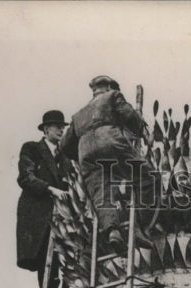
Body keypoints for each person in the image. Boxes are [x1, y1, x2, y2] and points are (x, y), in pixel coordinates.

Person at [60, 75, 155, 251]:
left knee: (101, 194)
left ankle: (113, 232)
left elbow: (64, 145)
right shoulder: (113, 96)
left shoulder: (78, 114)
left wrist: (83, 154)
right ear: (110, 87)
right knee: (147, 176)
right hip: (110, 142)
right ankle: (140, 227)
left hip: (85, 152)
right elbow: (130, 116)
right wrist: (141, 131)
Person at [16, 110, 72, 288]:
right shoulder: (31, 149)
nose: (61, 131)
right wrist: (50, 189)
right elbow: (26, 177)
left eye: (63, 128)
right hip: (37, 209)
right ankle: (47, 280)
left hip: (56, 212)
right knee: (42, 246)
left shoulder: (64, 157)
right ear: (46, 129)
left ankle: (51, 278)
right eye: (57, 127)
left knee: (56, 242)